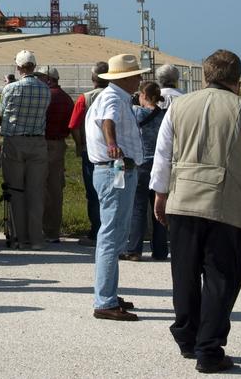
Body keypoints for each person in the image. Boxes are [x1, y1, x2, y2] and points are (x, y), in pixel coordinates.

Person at [152, 49, 241, 373]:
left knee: (184, 275)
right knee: (221, 278)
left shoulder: (178, 107)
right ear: (238, 81)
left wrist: (160, 195)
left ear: (205, 77)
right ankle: (209, 349)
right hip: (223, 205)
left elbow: (163, 156)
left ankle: (186, 338)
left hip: (182, 200)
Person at [86, 54, 147, 321]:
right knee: (111, 236)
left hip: (113, 170)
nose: (140, 80)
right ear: (124, 78)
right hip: (115, 170)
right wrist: (112, 144)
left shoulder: (114, 96)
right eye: (136, 75)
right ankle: (105, 300)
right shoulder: (113, 98)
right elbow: (107, 122)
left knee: (113, 234)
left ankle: (108, 291)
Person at [0, 50, 50, 249]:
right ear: (34, 67)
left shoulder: (11, 89)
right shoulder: (44, 88)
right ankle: (36, 238)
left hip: (15, 141)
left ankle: (20, 236)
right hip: (38, 142)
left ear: (19, 68)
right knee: (36, 192)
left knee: (16, 190)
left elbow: (3, 112)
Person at [124, 81, 168, 262]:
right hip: (159, 164)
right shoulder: (165, 115)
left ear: (144, 95)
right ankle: (160, 250)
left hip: (141, 163)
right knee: (159, 207)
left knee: (138, 206)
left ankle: (134, 249)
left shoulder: (136, 112)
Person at [68, 61, 109, 246]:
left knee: (93, 193)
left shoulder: (84, 98)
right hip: (114, 151)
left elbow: (74, 125)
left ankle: (96, 231)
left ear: (93, 78)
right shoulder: (118, 96)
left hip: (91, 151)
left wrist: (79, 144)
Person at [40, 66, 73, 244]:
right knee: (55, 189)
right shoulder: (67, 98)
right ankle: (53, 231)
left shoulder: (46, 96)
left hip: (43, 142)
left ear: (48, 79)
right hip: (59, 145)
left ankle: (38, 228)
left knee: (39, 187)